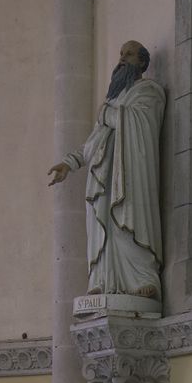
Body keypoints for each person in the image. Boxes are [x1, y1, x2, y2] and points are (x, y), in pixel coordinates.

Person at [52, 41, 167, 301]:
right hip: (103, 176)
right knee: (102, 223)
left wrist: (106, 113)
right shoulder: (112, 100)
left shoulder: (149, 92)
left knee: (128, 221)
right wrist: (70, 163)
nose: (122, 58)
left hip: (131, 175)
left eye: (129, 54)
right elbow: (94, 141)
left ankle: (143, 278)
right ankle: (103, 280)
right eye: (121, 54)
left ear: (142, 62)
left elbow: (141, 124)